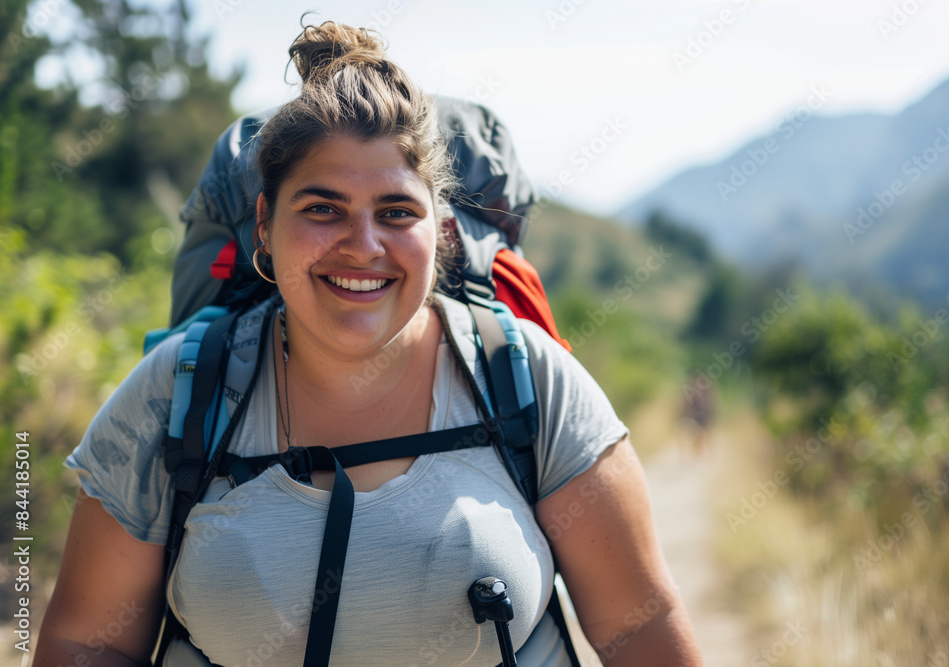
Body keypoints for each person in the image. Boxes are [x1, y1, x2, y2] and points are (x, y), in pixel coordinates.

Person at [35, 21, 704, 667]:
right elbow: (89, 643)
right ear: (265, 223)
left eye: (396, 212)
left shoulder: (526, 377)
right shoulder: (175, 394)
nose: (363, 244)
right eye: (323, 208)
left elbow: (640, 626)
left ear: (440, 229)